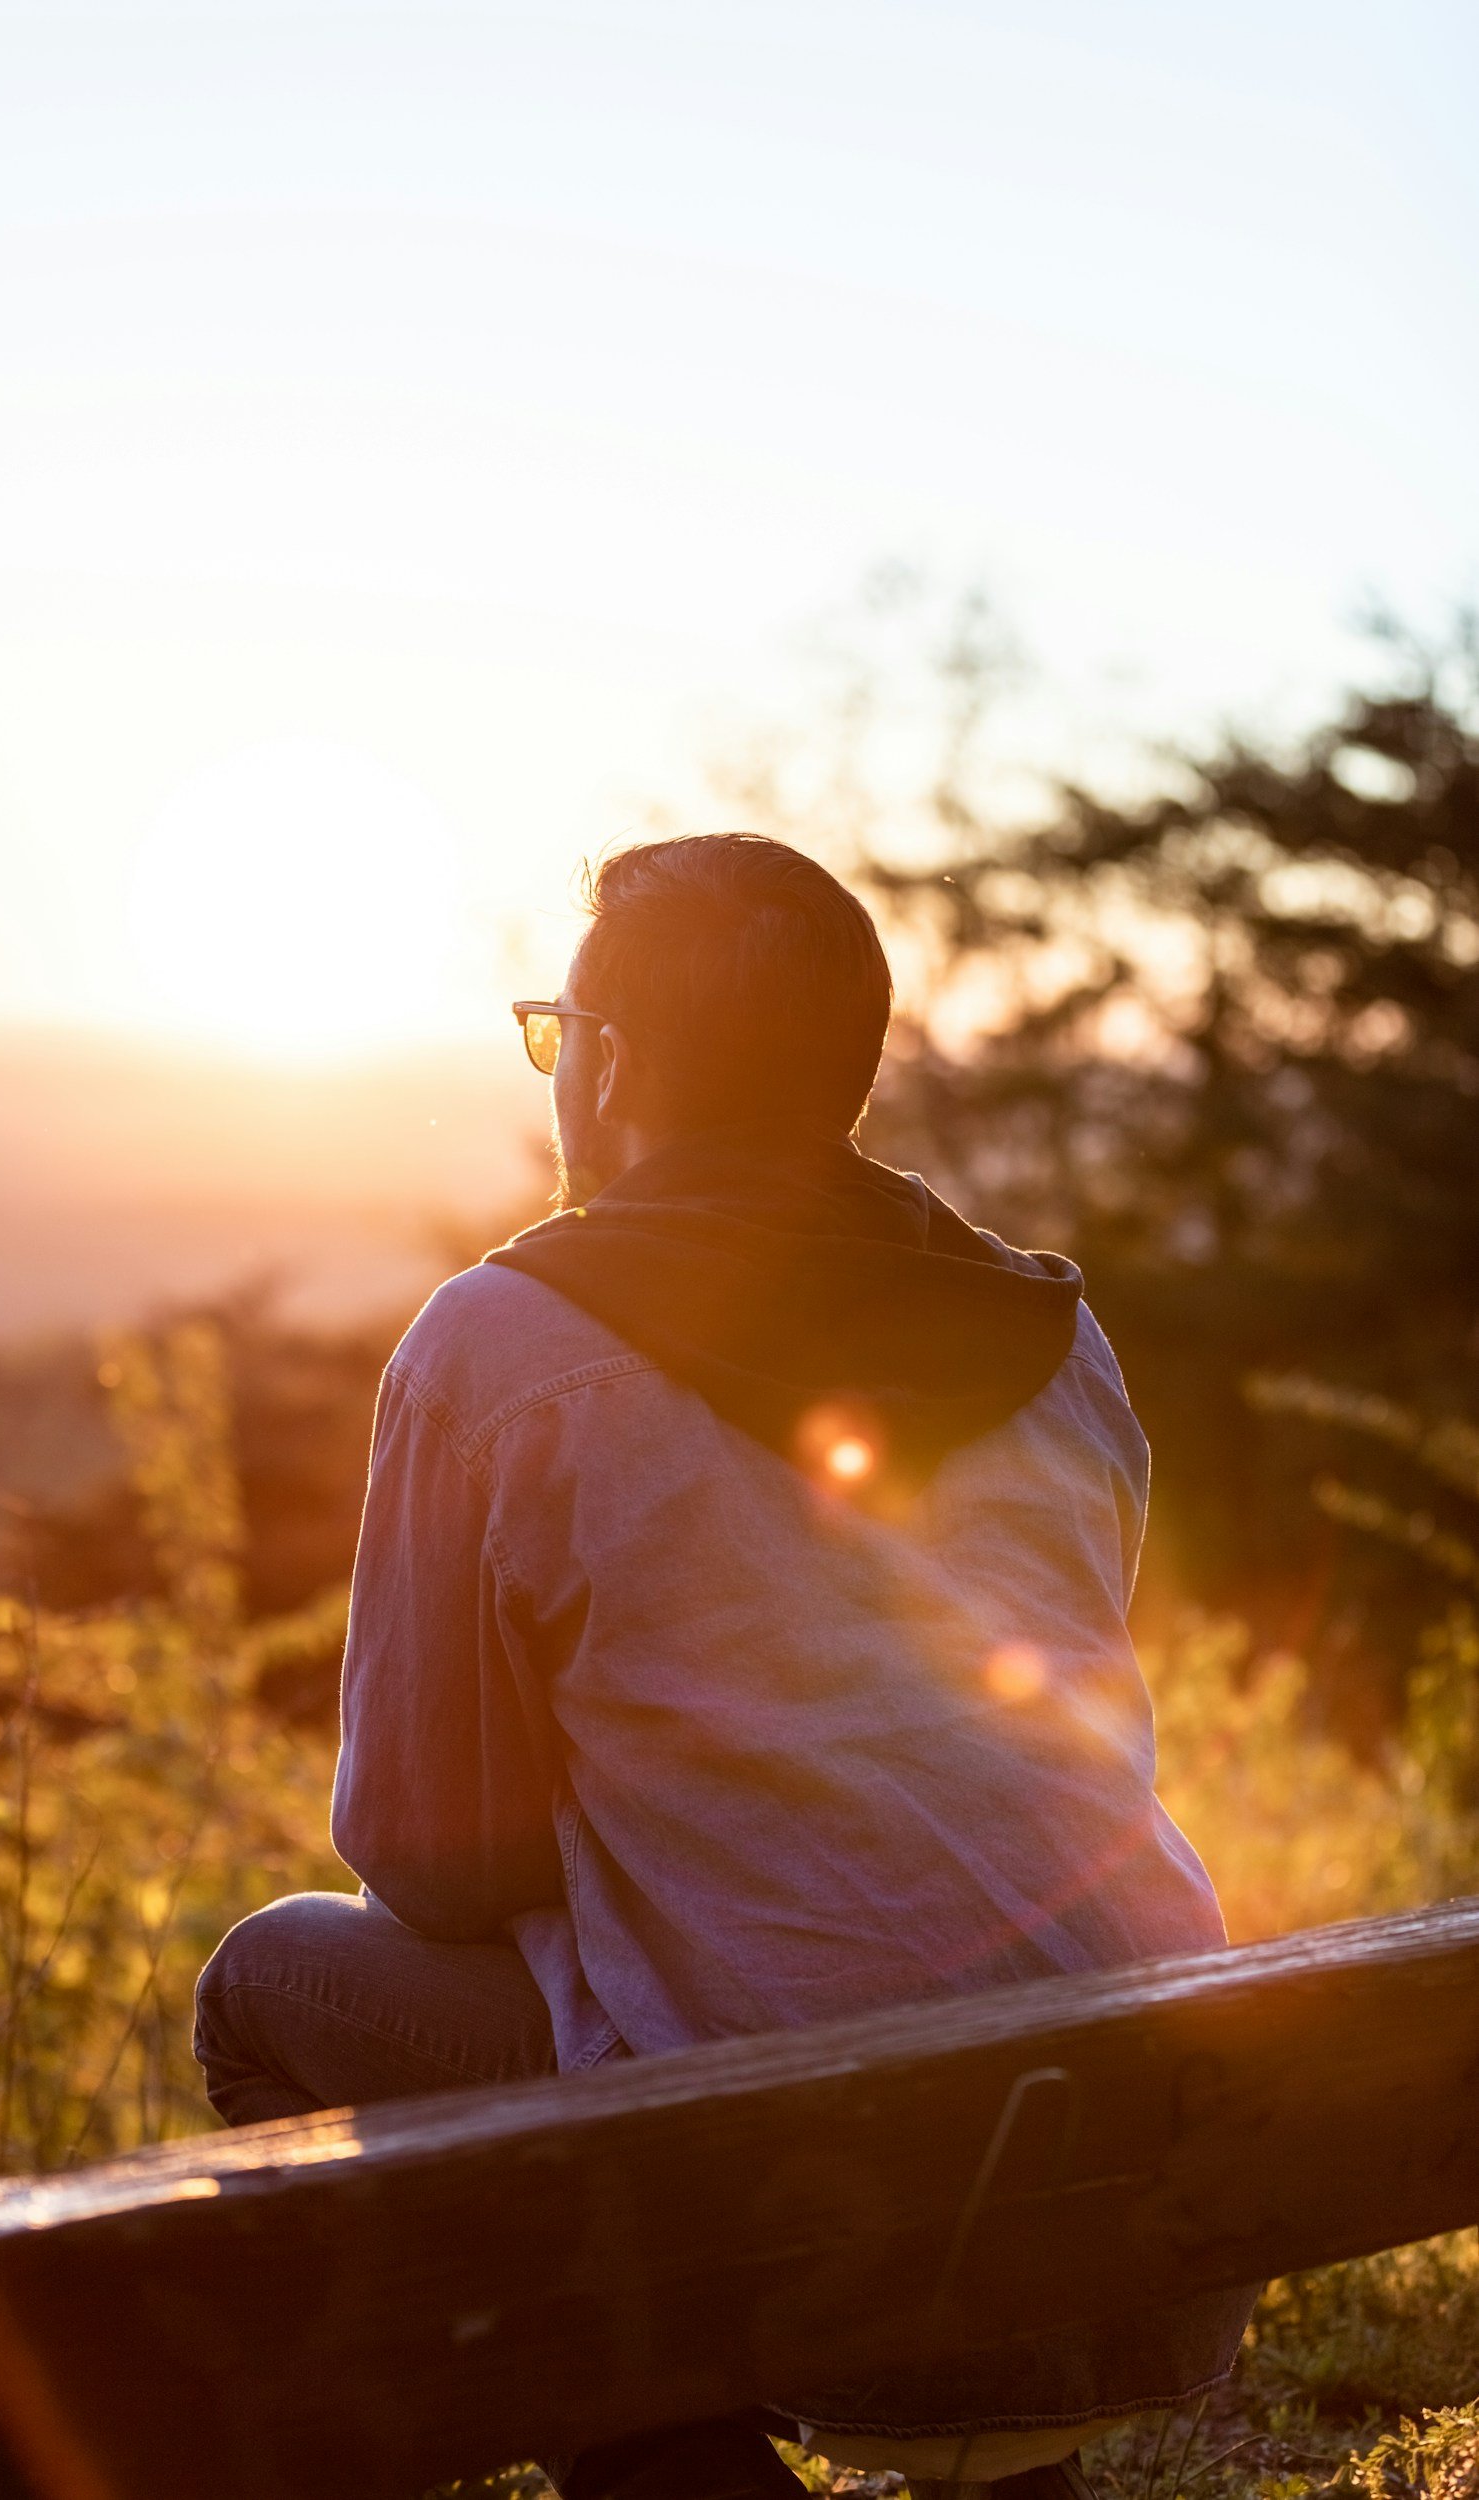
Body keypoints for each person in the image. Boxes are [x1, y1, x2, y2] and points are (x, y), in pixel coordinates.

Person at [194, 833, 1252, 2499]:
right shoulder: (1058, 1332)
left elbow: (426, 1859)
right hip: (1149, 2211)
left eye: (558, 1033)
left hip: (814, 2218)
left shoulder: (500, 1343)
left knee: (269, 1989)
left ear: (611, 1063)